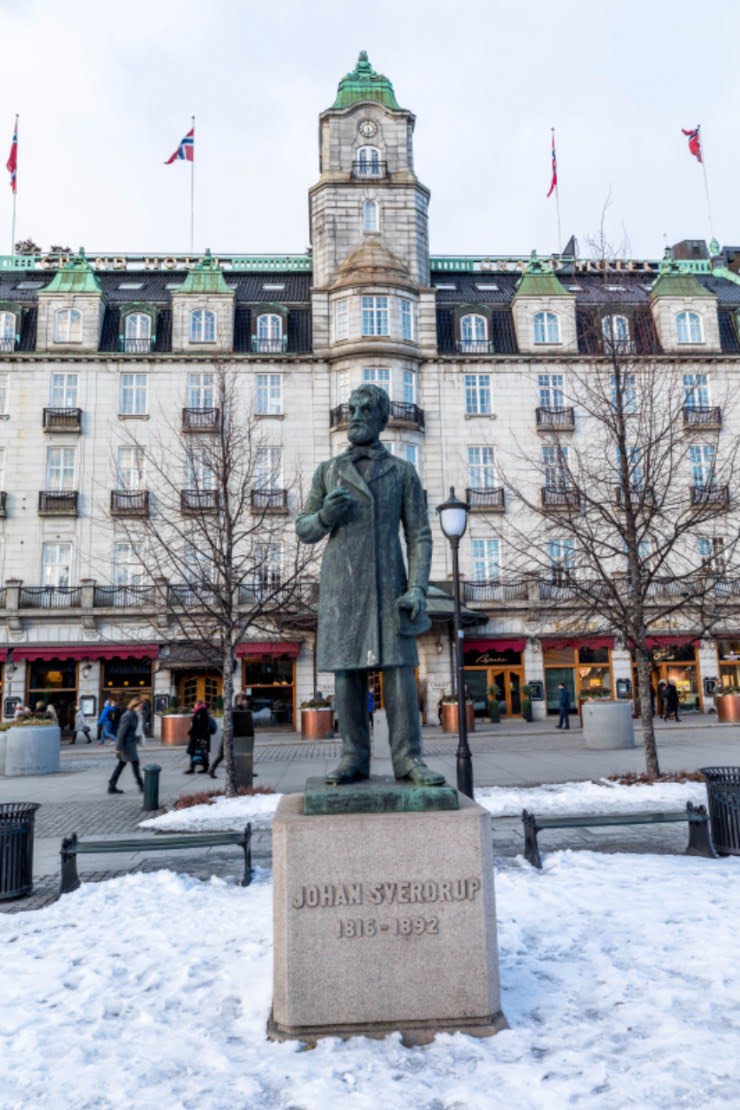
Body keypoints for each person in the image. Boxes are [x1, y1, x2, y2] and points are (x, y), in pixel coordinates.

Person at [296, 383, 444, 787]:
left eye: (365, 410)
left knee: (399, 672)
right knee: (347, 673)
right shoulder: (328, 471)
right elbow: (303, 529)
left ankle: (409, 759)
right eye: (352, 410)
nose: (356, 416)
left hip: (389, 584)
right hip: (342, 586)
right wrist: (325, 516)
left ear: (382, 419)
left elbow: (419, 535)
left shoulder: (401, 472)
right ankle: (352, 757)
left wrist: (417, 587)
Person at [107, 698, 144, 794]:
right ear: (135, 705)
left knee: (121, 765)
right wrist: (118, 747)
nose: (141, 708)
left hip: (130, 744)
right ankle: (141, 785)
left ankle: (112, 785)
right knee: (135, 764)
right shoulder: (128, 715)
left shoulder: (135, 715)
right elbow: (121, 732)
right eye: (140, 706)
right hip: (126, 745)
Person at [185, 701, 212, 775]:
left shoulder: (201, 713)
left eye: (195, 705)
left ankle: (200, 768)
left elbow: (201, 726)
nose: (194, 706)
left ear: (198, 705)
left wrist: (198, 737)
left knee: (200, 752)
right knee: (198, 752)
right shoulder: (200, 712)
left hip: (199, 736)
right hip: (198, 736)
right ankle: (195, 767)